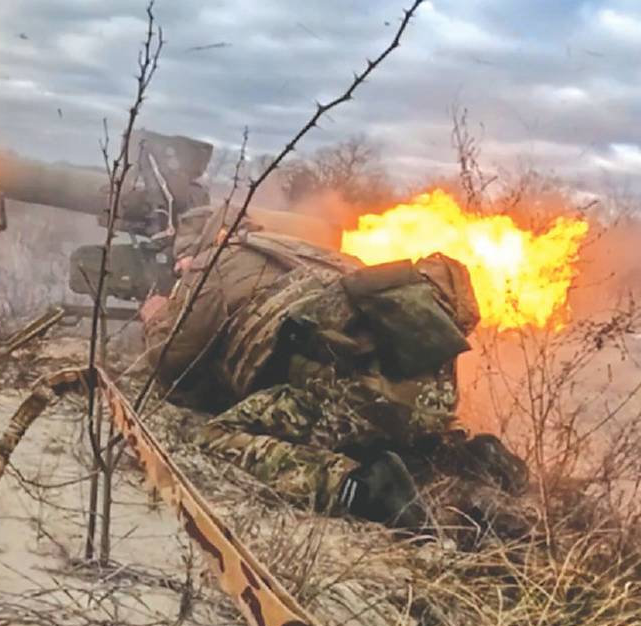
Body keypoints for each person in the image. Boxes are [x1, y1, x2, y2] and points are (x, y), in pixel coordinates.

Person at [141, 205, 528, 531]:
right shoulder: (306, 248)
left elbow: (173, 358)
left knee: (214, 435)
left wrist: (155, 317)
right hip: (420, 393)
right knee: (382, 426)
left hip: (345, 391)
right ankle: (471, 456)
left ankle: (358, 487)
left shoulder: (213, 261)